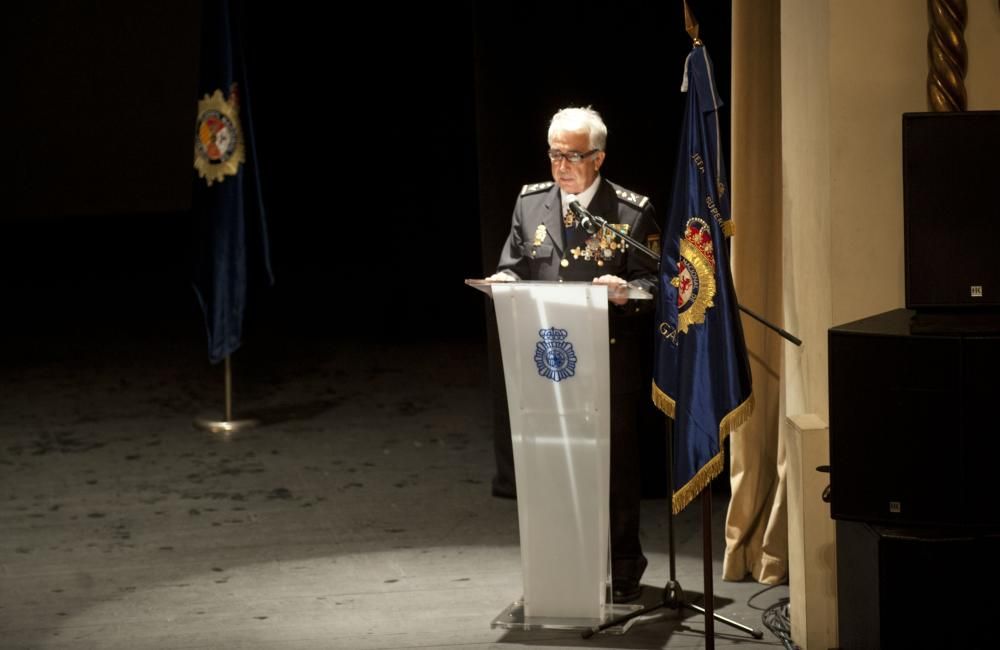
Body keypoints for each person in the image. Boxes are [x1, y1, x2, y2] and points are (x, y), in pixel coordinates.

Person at [486, 106, 660, 602]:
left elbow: (657, 283)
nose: (562, 166)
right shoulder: (530, 204)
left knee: (616, 468)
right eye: (555, 155)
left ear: (598, 158)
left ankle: (623, 564)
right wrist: (505, 280)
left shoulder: (630, 210)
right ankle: (559, 560)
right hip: (549, 364)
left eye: (573, 156)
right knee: (551, 464)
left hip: (608, 360)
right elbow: (515, 265)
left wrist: (628, 290)